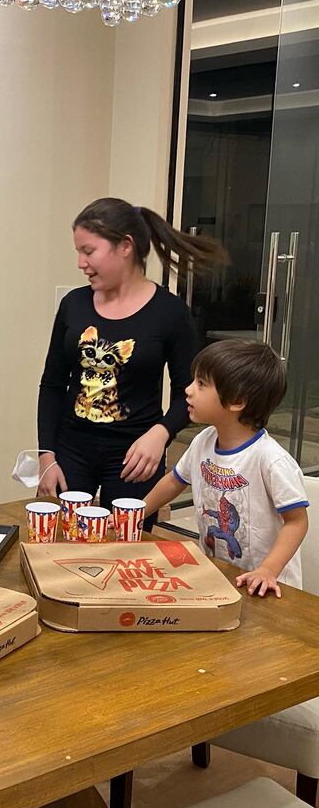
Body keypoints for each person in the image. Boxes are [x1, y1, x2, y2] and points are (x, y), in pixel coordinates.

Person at [37, 197, 227, 529]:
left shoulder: (170, 313)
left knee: (128, 556)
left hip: (135, 459)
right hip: (71, 453)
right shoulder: (74, 305)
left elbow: (191, 393)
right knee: (61, 546)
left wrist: (162, 433)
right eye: (78, 252)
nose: (81, 262)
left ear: (125, 247)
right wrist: (46, 455)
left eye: (89, 251)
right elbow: (52, 384)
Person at [143, 340, 308, 596]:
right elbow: (174, 481)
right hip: (220, 575)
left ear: (237, 400)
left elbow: (297, 522)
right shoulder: (203, 441)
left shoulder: (270, 459)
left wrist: (268, 570)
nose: (188, 390)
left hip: (267, 587)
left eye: (201, 384)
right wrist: (135, 514)